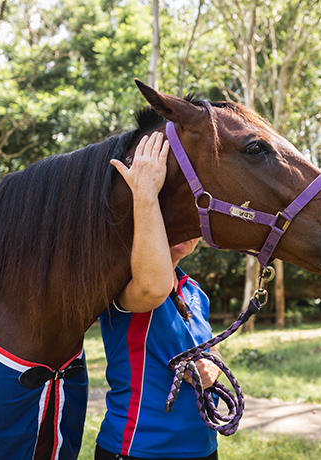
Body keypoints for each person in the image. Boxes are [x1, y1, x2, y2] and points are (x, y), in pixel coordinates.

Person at [95, 132, 222, 460]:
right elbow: (153, 287)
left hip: (202, 449)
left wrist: (212, 369)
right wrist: (145, 191)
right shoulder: (124, 278)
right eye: (181, 217)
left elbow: (204, 354)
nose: (190, 229)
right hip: (138, 448)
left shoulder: (197, 294)